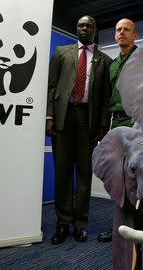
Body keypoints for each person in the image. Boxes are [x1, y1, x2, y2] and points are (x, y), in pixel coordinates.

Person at [46, 15, 112, 245]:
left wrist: (104, 125)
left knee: (84, 175)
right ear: (77, 29)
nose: (84, 28)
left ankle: (80, 224)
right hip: (63, 118)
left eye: (89, 25)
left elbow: (106, 98)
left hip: (88, 120)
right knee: (62, 173)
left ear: (95, 29)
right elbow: (51, 86)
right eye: (80, 25)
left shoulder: (104, 60)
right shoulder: (61, 53)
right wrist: (49, 116)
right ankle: (63, 222)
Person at [97, 18, 138, 243]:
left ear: (135, 35)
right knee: (118, 178)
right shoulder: (112, 64)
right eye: (118, 30)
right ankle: (119, 228)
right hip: (116, 123)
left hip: (137, 122)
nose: (121, 33)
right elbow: (106, 97)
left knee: (136, 177)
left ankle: (139, 227)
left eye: (126, 30)